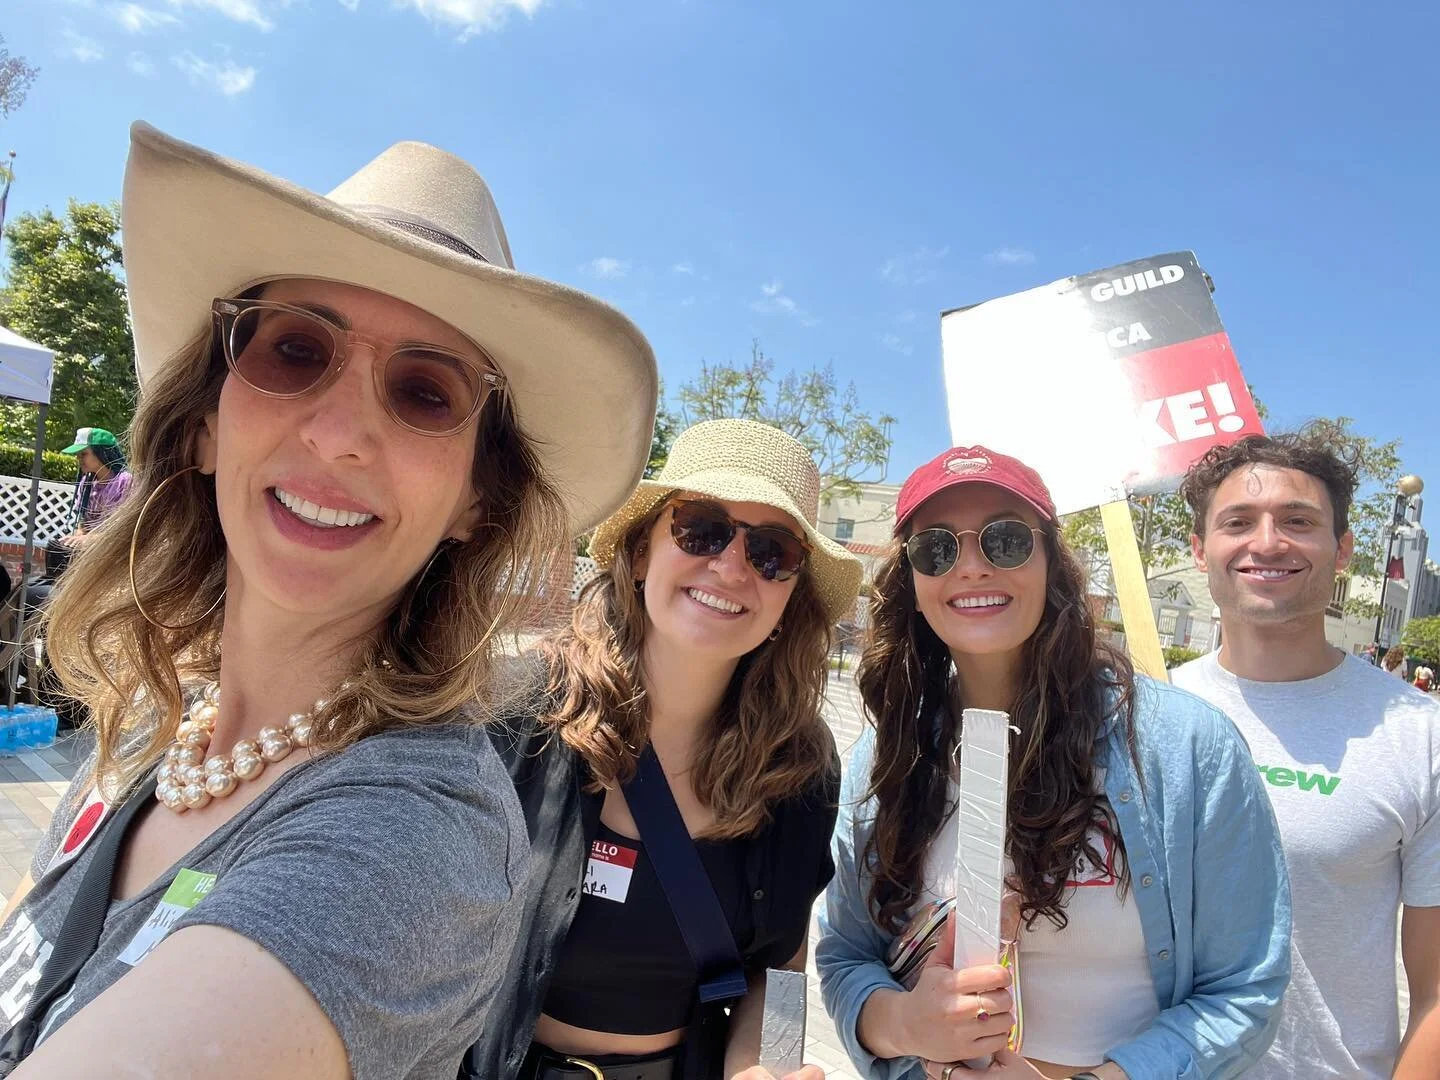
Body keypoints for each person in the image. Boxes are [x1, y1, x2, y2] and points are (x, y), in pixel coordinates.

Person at [0, 120, 658, 1078]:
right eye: (295, 352)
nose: (341, 432)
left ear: (476, 500)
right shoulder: (151, 723)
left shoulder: (414, 837)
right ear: (204, 427)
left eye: (427, 393)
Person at [817, 445, 1291, 1080]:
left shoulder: (1187, 748)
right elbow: (847, 957)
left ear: (1051, 562)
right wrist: (906, 1025)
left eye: (1006, 541)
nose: (972, 567)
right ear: (912, 581)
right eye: (937, 549)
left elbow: (1245, 989)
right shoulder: (883, 761)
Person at [467, 418, 864, 1080]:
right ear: (643, 549)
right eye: (700, 526)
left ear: (790, 594)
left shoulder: (799, 765)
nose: (732, 565)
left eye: (772, 551)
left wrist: (766, 1067)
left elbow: (782, 969)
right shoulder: (514, 710)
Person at [1173, 432, 1440, 1079]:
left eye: (1298, 521)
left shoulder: (1418, 734)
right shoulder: (1144, 713)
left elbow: (1435, 991)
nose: (1267, 542)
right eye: (1238, 522)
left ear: (1342, 549)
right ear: (1200, 550)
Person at [61, 427, 133, 547]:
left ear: (102, 453)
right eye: (77, 454)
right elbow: (83, 523)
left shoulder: (125, 482)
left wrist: (91, 539)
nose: (78, 458)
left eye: (83, 453)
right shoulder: (86, 483)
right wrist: (77, 537)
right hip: (91, 547)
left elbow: (125, 528)